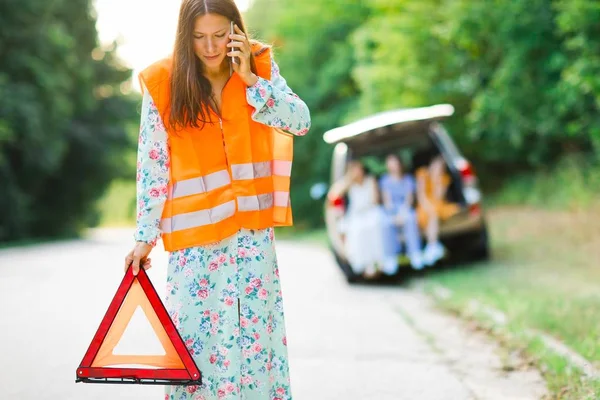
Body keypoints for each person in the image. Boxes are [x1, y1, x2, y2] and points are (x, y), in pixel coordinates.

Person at [123, 1, 311, 398]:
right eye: (199, 37)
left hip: (252, 242)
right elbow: (153, 164)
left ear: (236, 31)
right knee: (196, 355)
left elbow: (300, 121)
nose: (210, 47)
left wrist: (252, 82)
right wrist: (145, 236)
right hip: (196, 247)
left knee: (256, 351)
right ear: (184, 36)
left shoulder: (259, 66)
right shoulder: (163, 82)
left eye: (220, 35)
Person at [330, 160, 387, 279]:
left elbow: (375, 201)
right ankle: (365, 264)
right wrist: (349, 180)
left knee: (375, 224)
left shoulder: (370, 180)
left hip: (371, 211)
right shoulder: (349, 184)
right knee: (357, 229)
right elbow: (334, 194)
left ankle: (380, 260)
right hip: (355, 214)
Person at [379, 154, 424, 272]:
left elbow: (409, 200)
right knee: (386, 223)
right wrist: (394, 214)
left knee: (410, 219)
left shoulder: (408, 179)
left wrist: (402, 214)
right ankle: (390, 257)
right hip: (391, 210)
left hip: (405, 208)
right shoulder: (385, 181)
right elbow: (387, 201)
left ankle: (415, 253)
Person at [415, 152, 460, 266]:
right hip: (424, 205)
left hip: (438, 204)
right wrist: (428, 207)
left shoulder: (443, 178)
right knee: (431, 214)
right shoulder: (422, 173)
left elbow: (438, 197)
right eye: (436, 165)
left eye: (441, 167)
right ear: (431, 163)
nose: (438, 168)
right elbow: (421, 196)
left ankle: (432, 246)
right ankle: (433, 246)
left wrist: (436, 180)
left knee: (434, 213)